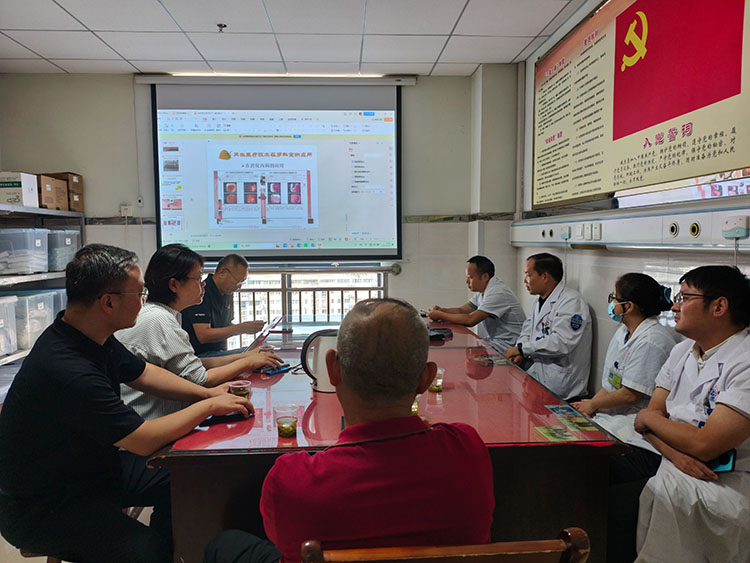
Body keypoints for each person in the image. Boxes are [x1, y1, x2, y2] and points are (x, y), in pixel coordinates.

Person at [0, 244, 254, 563]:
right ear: (108, 302)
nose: (144, 300)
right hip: (46, 504)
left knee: (187, 476)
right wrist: (209, 407)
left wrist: (207, 394)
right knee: (148, 550)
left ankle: (175, 548)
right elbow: (143, 439)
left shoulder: (91, 336)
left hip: (91, 469)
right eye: (139, 293)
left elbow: (144, 373)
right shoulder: (67, 368)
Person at [204, 298, 494, 563]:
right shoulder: (466, 449)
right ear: (426, 378)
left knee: (225, 543)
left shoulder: (291, 480)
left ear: (332, 369)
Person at [633, 266, 750, 562]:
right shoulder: (682, 351)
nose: (674, 306)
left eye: (684, 297)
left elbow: (705, 444)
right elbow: (645, 421)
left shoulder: (745, 361)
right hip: (676, 464)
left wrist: (650, 420)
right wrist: (676, 454)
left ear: (719, 306)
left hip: (725, 483)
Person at [570, 273, 680, 563]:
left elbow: (631, 395)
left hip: (637, 433)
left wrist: (593, 405)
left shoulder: (654, 340)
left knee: (584, 466)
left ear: (628, 306)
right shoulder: (624, 333)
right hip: (614, 418)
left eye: (614, 298)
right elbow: (611, 382)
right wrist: (589, 405)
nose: (611, 303)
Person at [117, 244, 281, 420]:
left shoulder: (161, 314)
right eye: (198, 278)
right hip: (153, 422)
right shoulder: (160, 319)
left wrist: (246, 356)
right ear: (174, 285)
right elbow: (201, 379)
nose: (203, 283)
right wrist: (248, 362)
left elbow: (195, 363)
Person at [503, 253, 592, 401]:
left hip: (563, 389)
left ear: (545, 276)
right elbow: (527, 332)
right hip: (539, 382)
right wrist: (520, 352)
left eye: (528, 275)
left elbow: (562, 342)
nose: (525, 280)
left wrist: (522, 350)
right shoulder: (538, 303)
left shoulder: (572, 302)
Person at [428, 255, 525, 352]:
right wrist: (442, 310)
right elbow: (462, 310)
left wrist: (441, 315)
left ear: (485, 277)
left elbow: (470, 320)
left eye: (470, 277)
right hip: (497, 342)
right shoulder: (483, 291)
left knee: (466, 351)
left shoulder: (498, 292)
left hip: (510, 345)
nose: (467, 282)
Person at [182, 254, 264, 356]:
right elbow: (203, 335)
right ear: (222, 272)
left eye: (242, 283)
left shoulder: (227, 293)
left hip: (218, 352)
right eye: (238, 281)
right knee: (254, 354)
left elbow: (226, 325)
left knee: (259, 350)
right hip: (200, 355)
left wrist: (248, 328)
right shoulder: (202, 293)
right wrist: (241, 328)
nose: (239, 287)